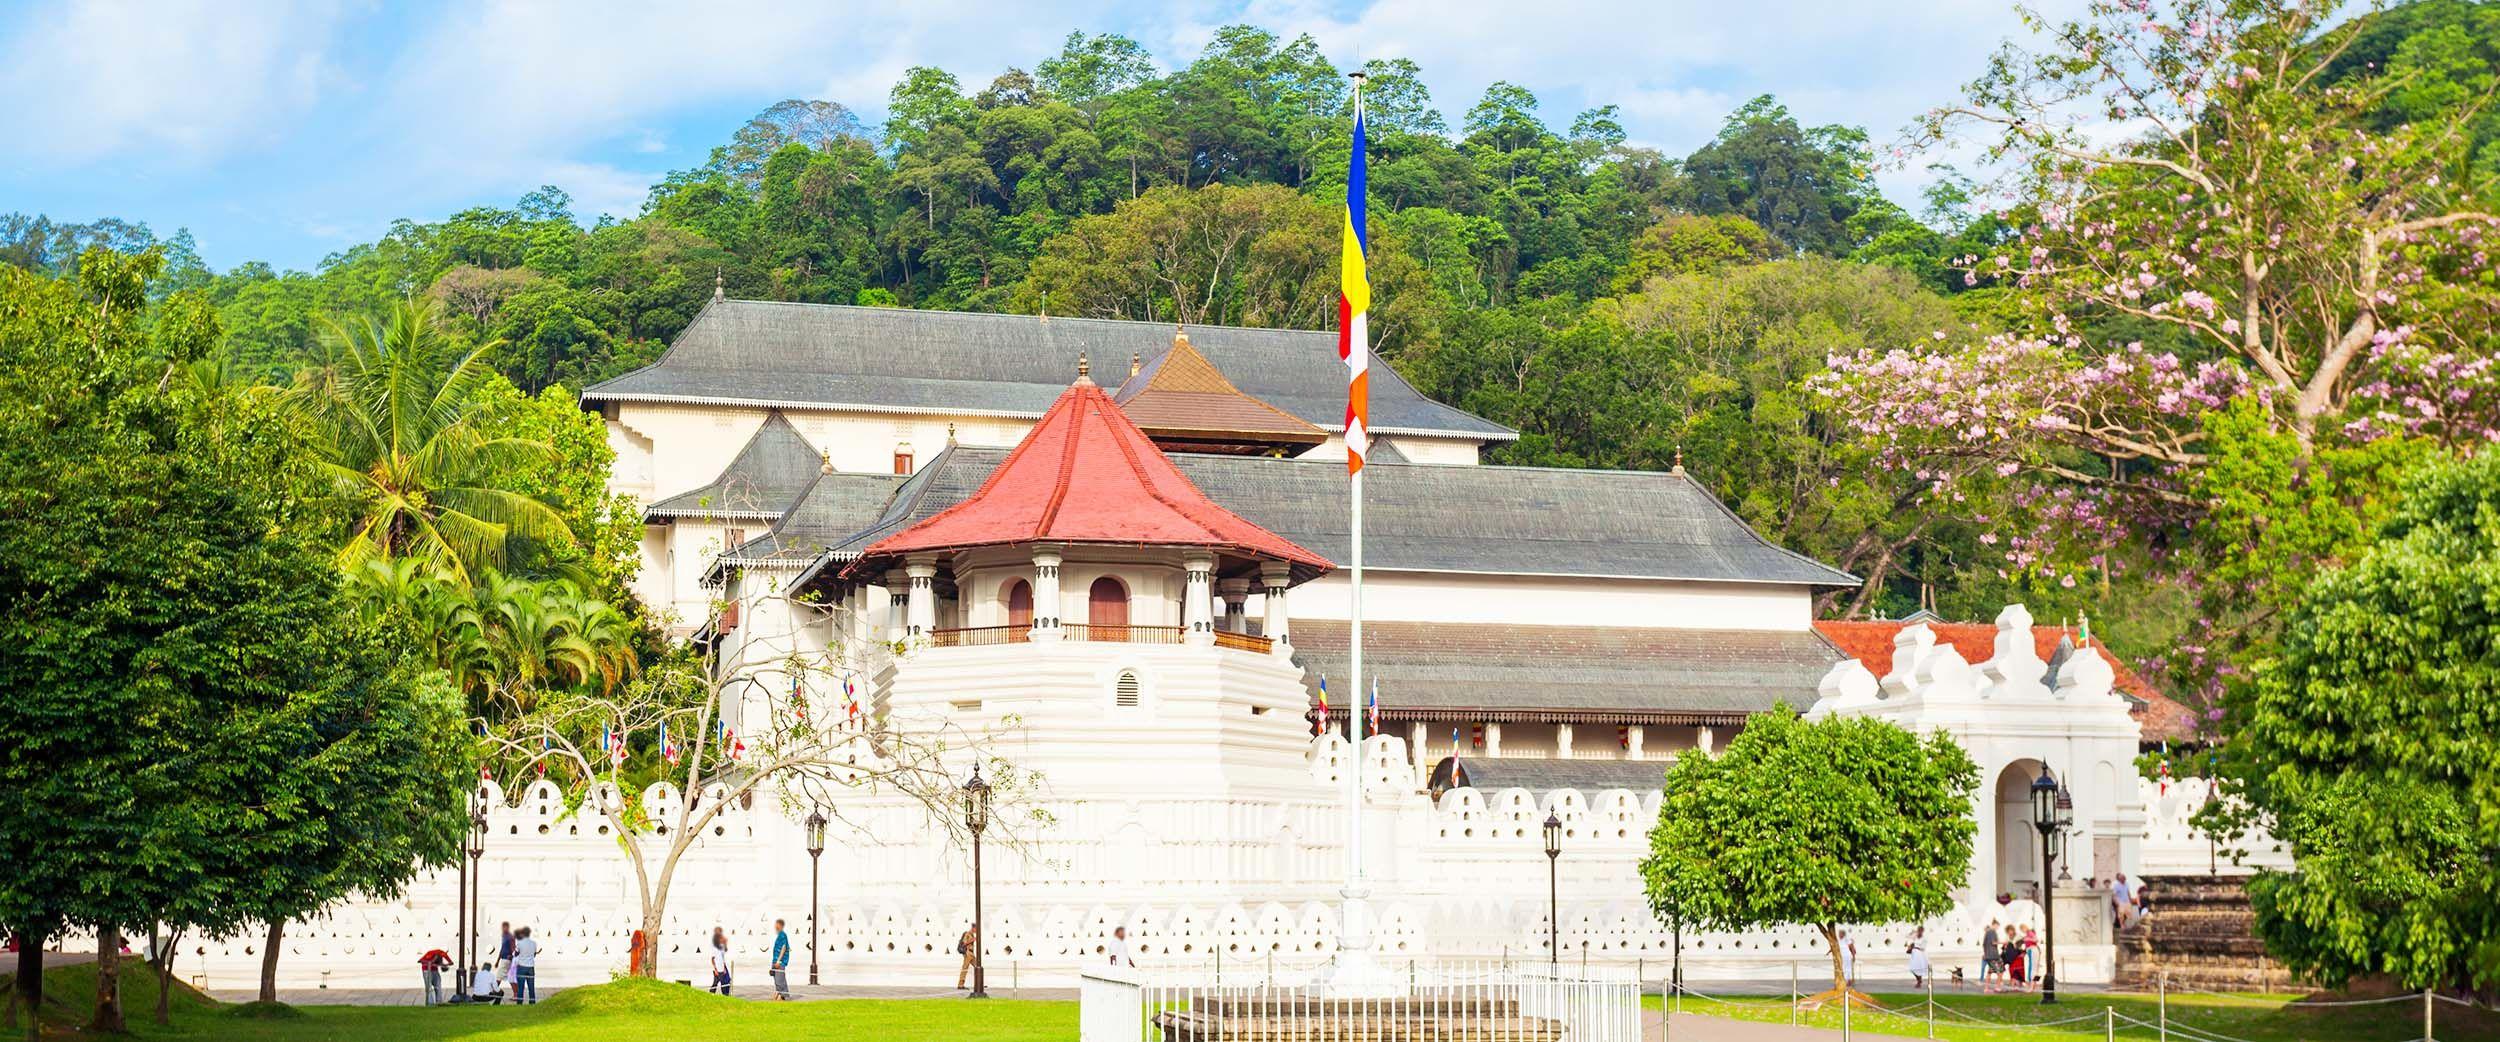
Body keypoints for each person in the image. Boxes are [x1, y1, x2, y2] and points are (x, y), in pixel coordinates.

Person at [511, 926, 539, 1005]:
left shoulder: (520, 943)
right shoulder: (534, 943)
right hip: (530, 968)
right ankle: (532, 1003)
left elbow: (516, 954)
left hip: (521, 967)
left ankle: (519, 1003)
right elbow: (534, 955)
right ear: (529, 933)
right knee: (531, 987)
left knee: (521, 987)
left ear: (523, 934)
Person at [707, 927, 733, 995]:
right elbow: (712, 959)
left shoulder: (721, 948)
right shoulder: (714, 948)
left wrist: (724, 968)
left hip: (722, 969)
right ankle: (712, 995)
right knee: (716, 983)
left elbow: (723, 959)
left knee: (724, 983)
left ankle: (724, 995)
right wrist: (715, 969)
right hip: (717, 969)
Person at [771, 919, 792, 1001]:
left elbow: (783, 948)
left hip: (779, 962)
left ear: (780, 925)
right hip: (775, 960)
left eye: (776, 924)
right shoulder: (780, 935)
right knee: (777, 979)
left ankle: (782, 996)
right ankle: (779, 994)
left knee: (779, 979)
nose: (775, 926)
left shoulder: (783, 935)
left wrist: (778, 961)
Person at [956, 924, 979, 990]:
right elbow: (964, 943)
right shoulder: (967, 934)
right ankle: (960, 985)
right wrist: (972, 940)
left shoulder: (972, 935)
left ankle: (979, 984)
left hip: (972, 953)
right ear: (973, 928)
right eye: (975, 929)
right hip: (968, 953)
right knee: (965, 968)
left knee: (978, 967)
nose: (976, 931)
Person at [1980, 920, 2001, 994]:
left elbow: (1984, 944)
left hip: (1988, 955)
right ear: (1995, 925)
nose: (1997, 928)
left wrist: (1985, 953)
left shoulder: (1987, 932)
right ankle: (1997, 987)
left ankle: (1986, 988)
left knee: (1989, 972)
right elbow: (1994, 942)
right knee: (1999, 971)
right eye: (1997, 926)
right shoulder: (1992, 931)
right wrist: (2004, 942)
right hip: (1993, 955)